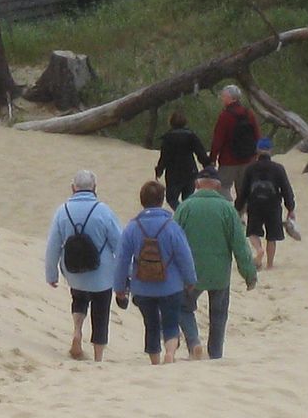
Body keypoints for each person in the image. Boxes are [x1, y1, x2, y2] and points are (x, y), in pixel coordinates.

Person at [174, 166, 258, 360]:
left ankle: (194, 341)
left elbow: (173, 239)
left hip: (190, 272)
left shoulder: (184, 207)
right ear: (219, 186)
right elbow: (240, 245)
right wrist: (249, 273)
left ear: (196, 184)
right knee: (219, 316)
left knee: (182, 307)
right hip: (219, 273)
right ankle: (216, 354)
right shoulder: (228, 209)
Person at [42, 169, 123, 362]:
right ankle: (98, 356)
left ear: (73, 188)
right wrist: (125, 274)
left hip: (74, 272)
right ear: (95, 188)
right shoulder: (104, 211)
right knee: (101, 312)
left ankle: (77, 331)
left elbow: (53, 245)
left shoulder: (62, 211)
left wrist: (51, 274)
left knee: (78, 300)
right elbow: (119, 244)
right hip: (102, 275)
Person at [114, 180, 197, 364]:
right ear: (162, 200)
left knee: (150, 325)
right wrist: (190, 279)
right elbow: (184, 255)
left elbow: (122, 260)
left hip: (142, 288)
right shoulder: (172, 227)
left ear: (142, 200)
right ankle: (170, 353)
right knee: (171, 322)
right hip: (171, 286)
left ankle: (155, 361)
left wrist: (120, 287)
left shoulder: (132, 228)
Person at [235, 137, 297, 270]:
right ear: (270, 151)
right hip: (273, 205)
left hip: (255, 204)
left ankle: (258, 250)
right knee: (272, 236)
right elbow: (286, 189)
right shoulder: (278, 168)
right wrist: (290, 208)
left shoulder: (250, 168)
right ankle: (269, 264)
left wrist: (238, 207)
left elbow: (244, 190)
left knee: (253, 232)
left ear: (257, 150)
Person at [208, 85, 260, 203]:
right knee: (244, 190)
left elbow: (218, 140)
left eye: (224, 96)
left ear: (230, 98)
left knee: (221, 187)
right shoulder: (249, 113)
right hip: (248, 159)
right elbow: (257, 135)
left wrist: (212, 158)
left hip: (228, 160)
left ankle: (228, 208)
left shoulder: (225, 116)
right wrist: (257, 155)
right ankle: (239, 216)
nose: (222, 98)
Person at [155, 110, 210, 209]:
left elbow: (164, 157)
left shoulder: (168, 138)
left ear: (171, 122)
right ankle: (185, 215)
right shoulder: (191, 136)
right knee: (188, 198)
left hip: (173, 173)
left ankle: (181, 213)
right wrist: (207, 165)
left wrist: (159, 170)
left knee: (171, 199)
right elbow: (201, 153)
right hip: (190, 171)